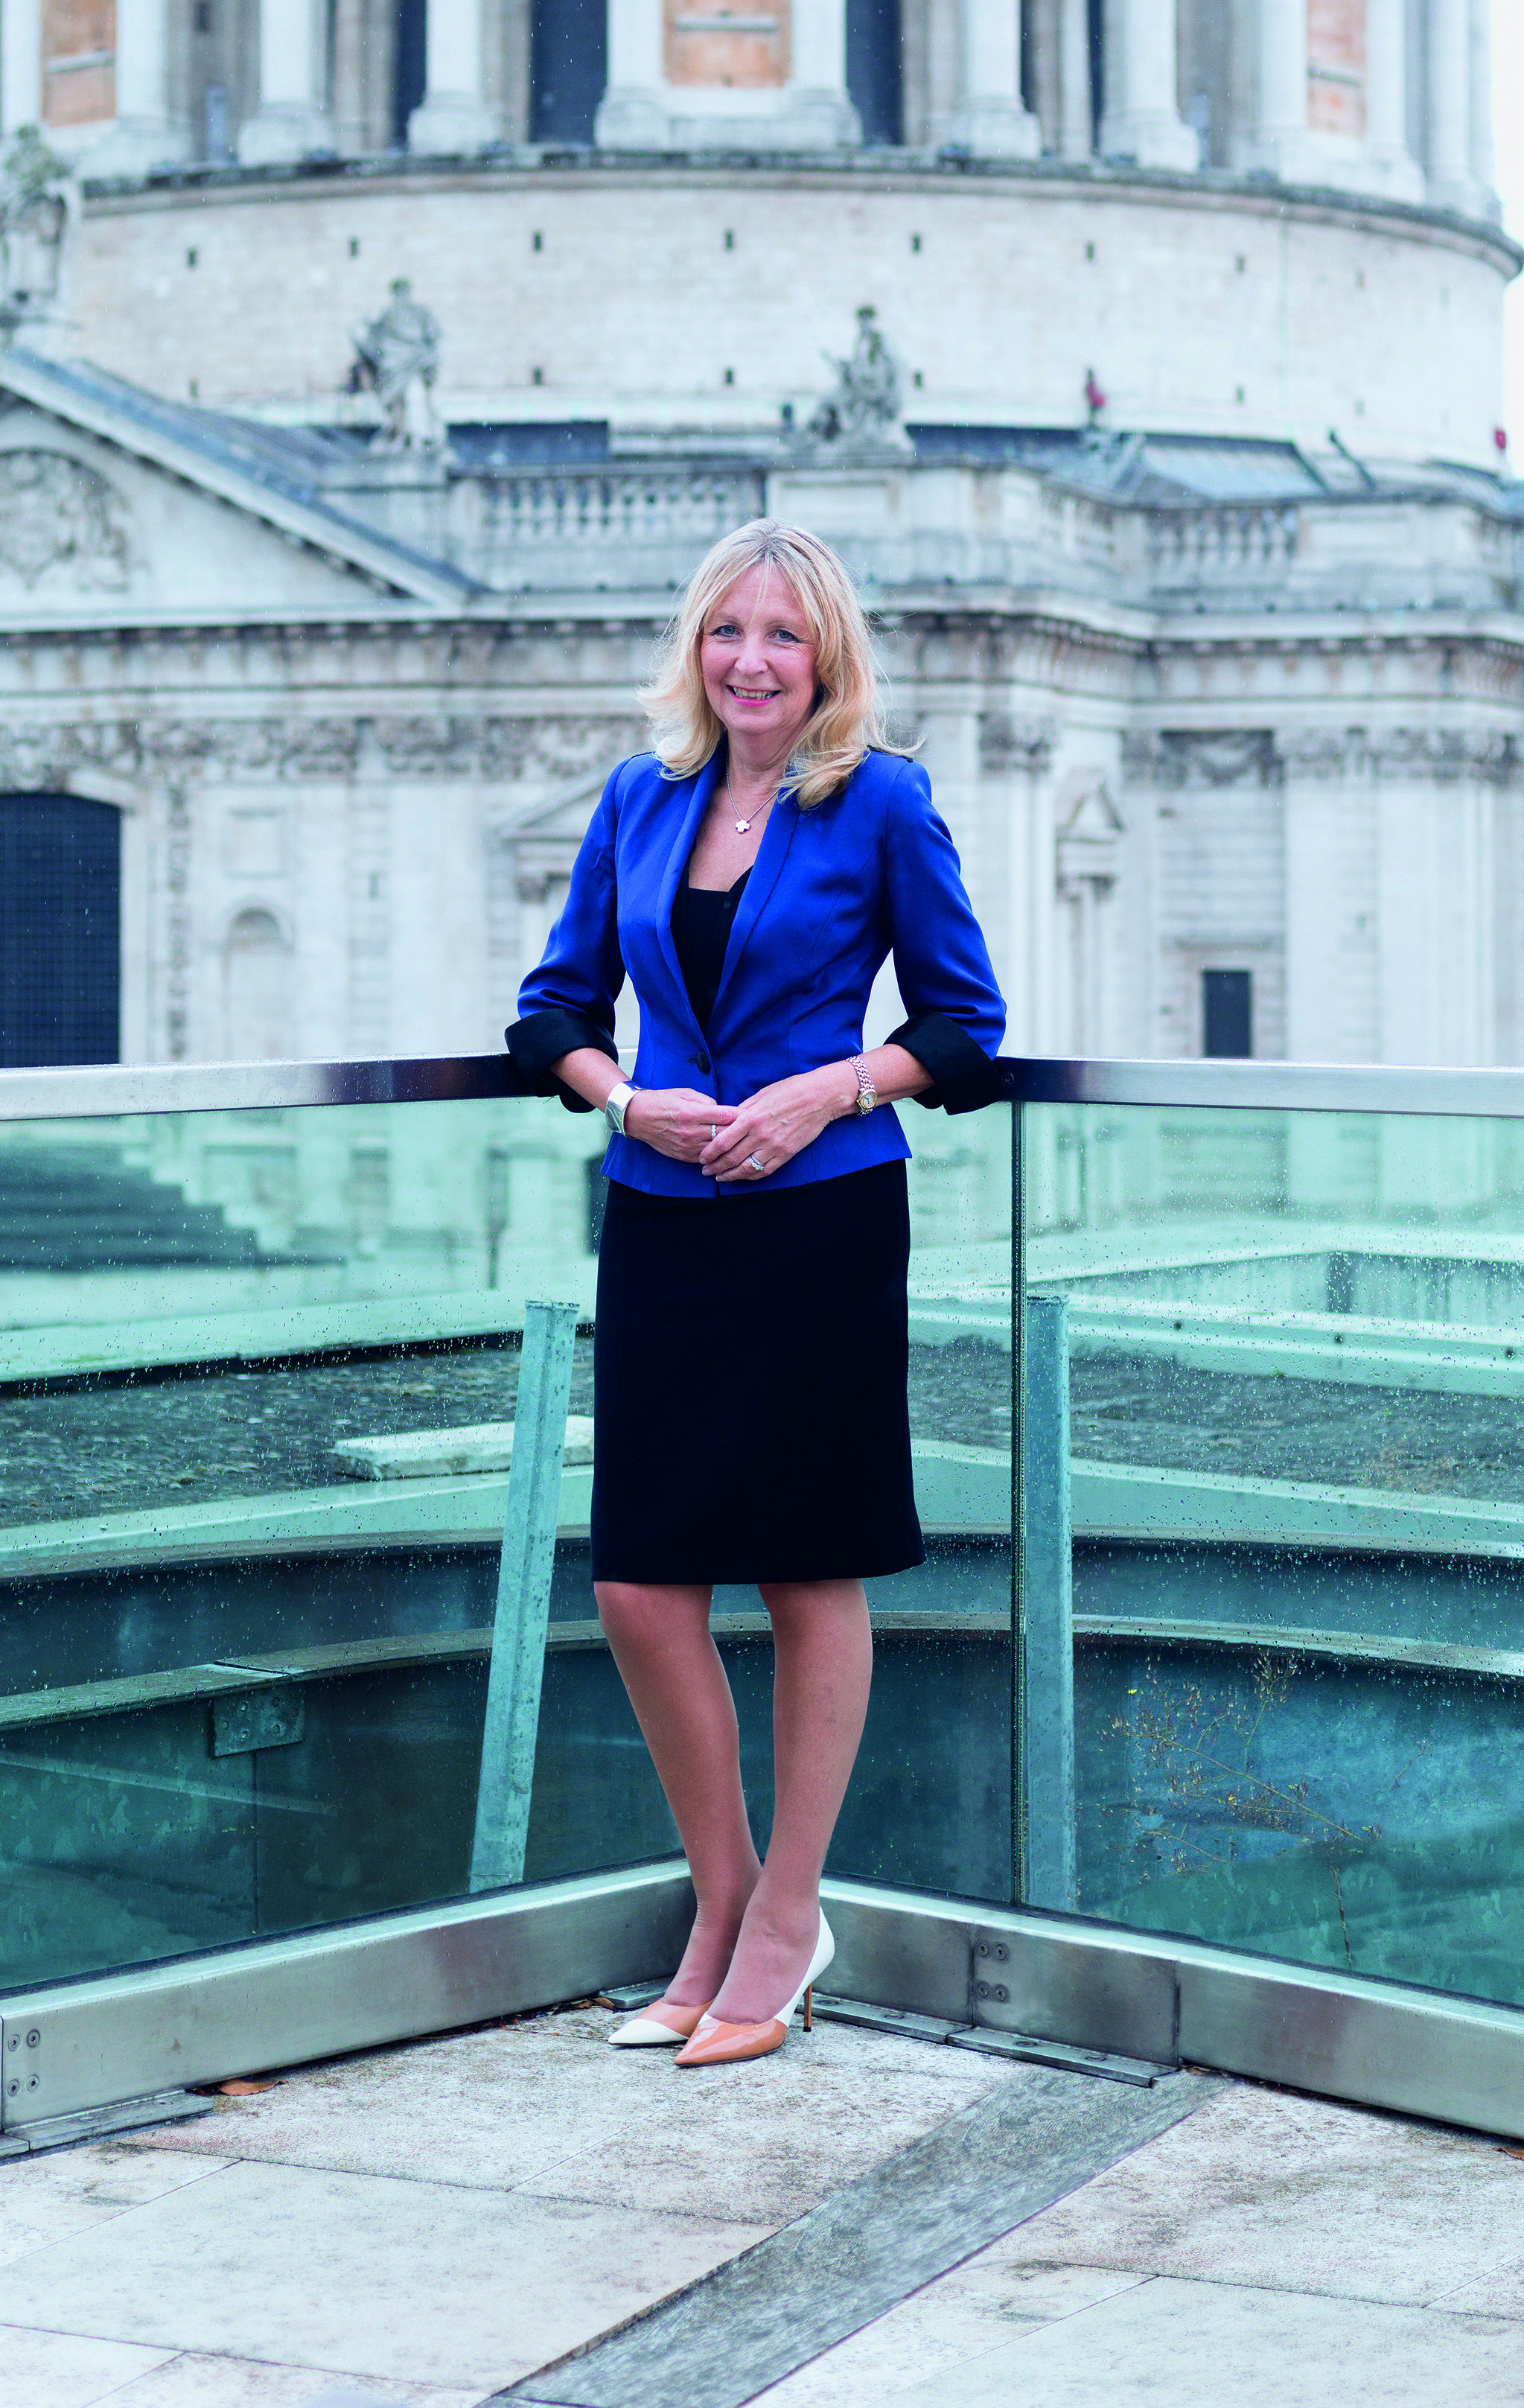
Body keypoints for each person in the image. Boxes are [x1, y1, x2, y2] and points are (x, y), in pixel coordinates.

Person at [507, 517, 1005, 2068]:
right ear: (696, 649)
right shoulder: (639, 799)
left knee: (805, 1573)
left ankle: (788, 1916)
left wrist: (830, 1091)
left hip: (817, 1218)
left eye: (782, 635)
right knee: (641, 1581)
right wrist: (624, 1099)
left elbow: (968, 1029)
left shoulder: (881, 801)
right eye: (729, 631)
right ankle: (720, 1904)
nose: (751, 660)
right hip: (662, 1215)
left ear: (827, 657)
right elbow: (550, 1009)